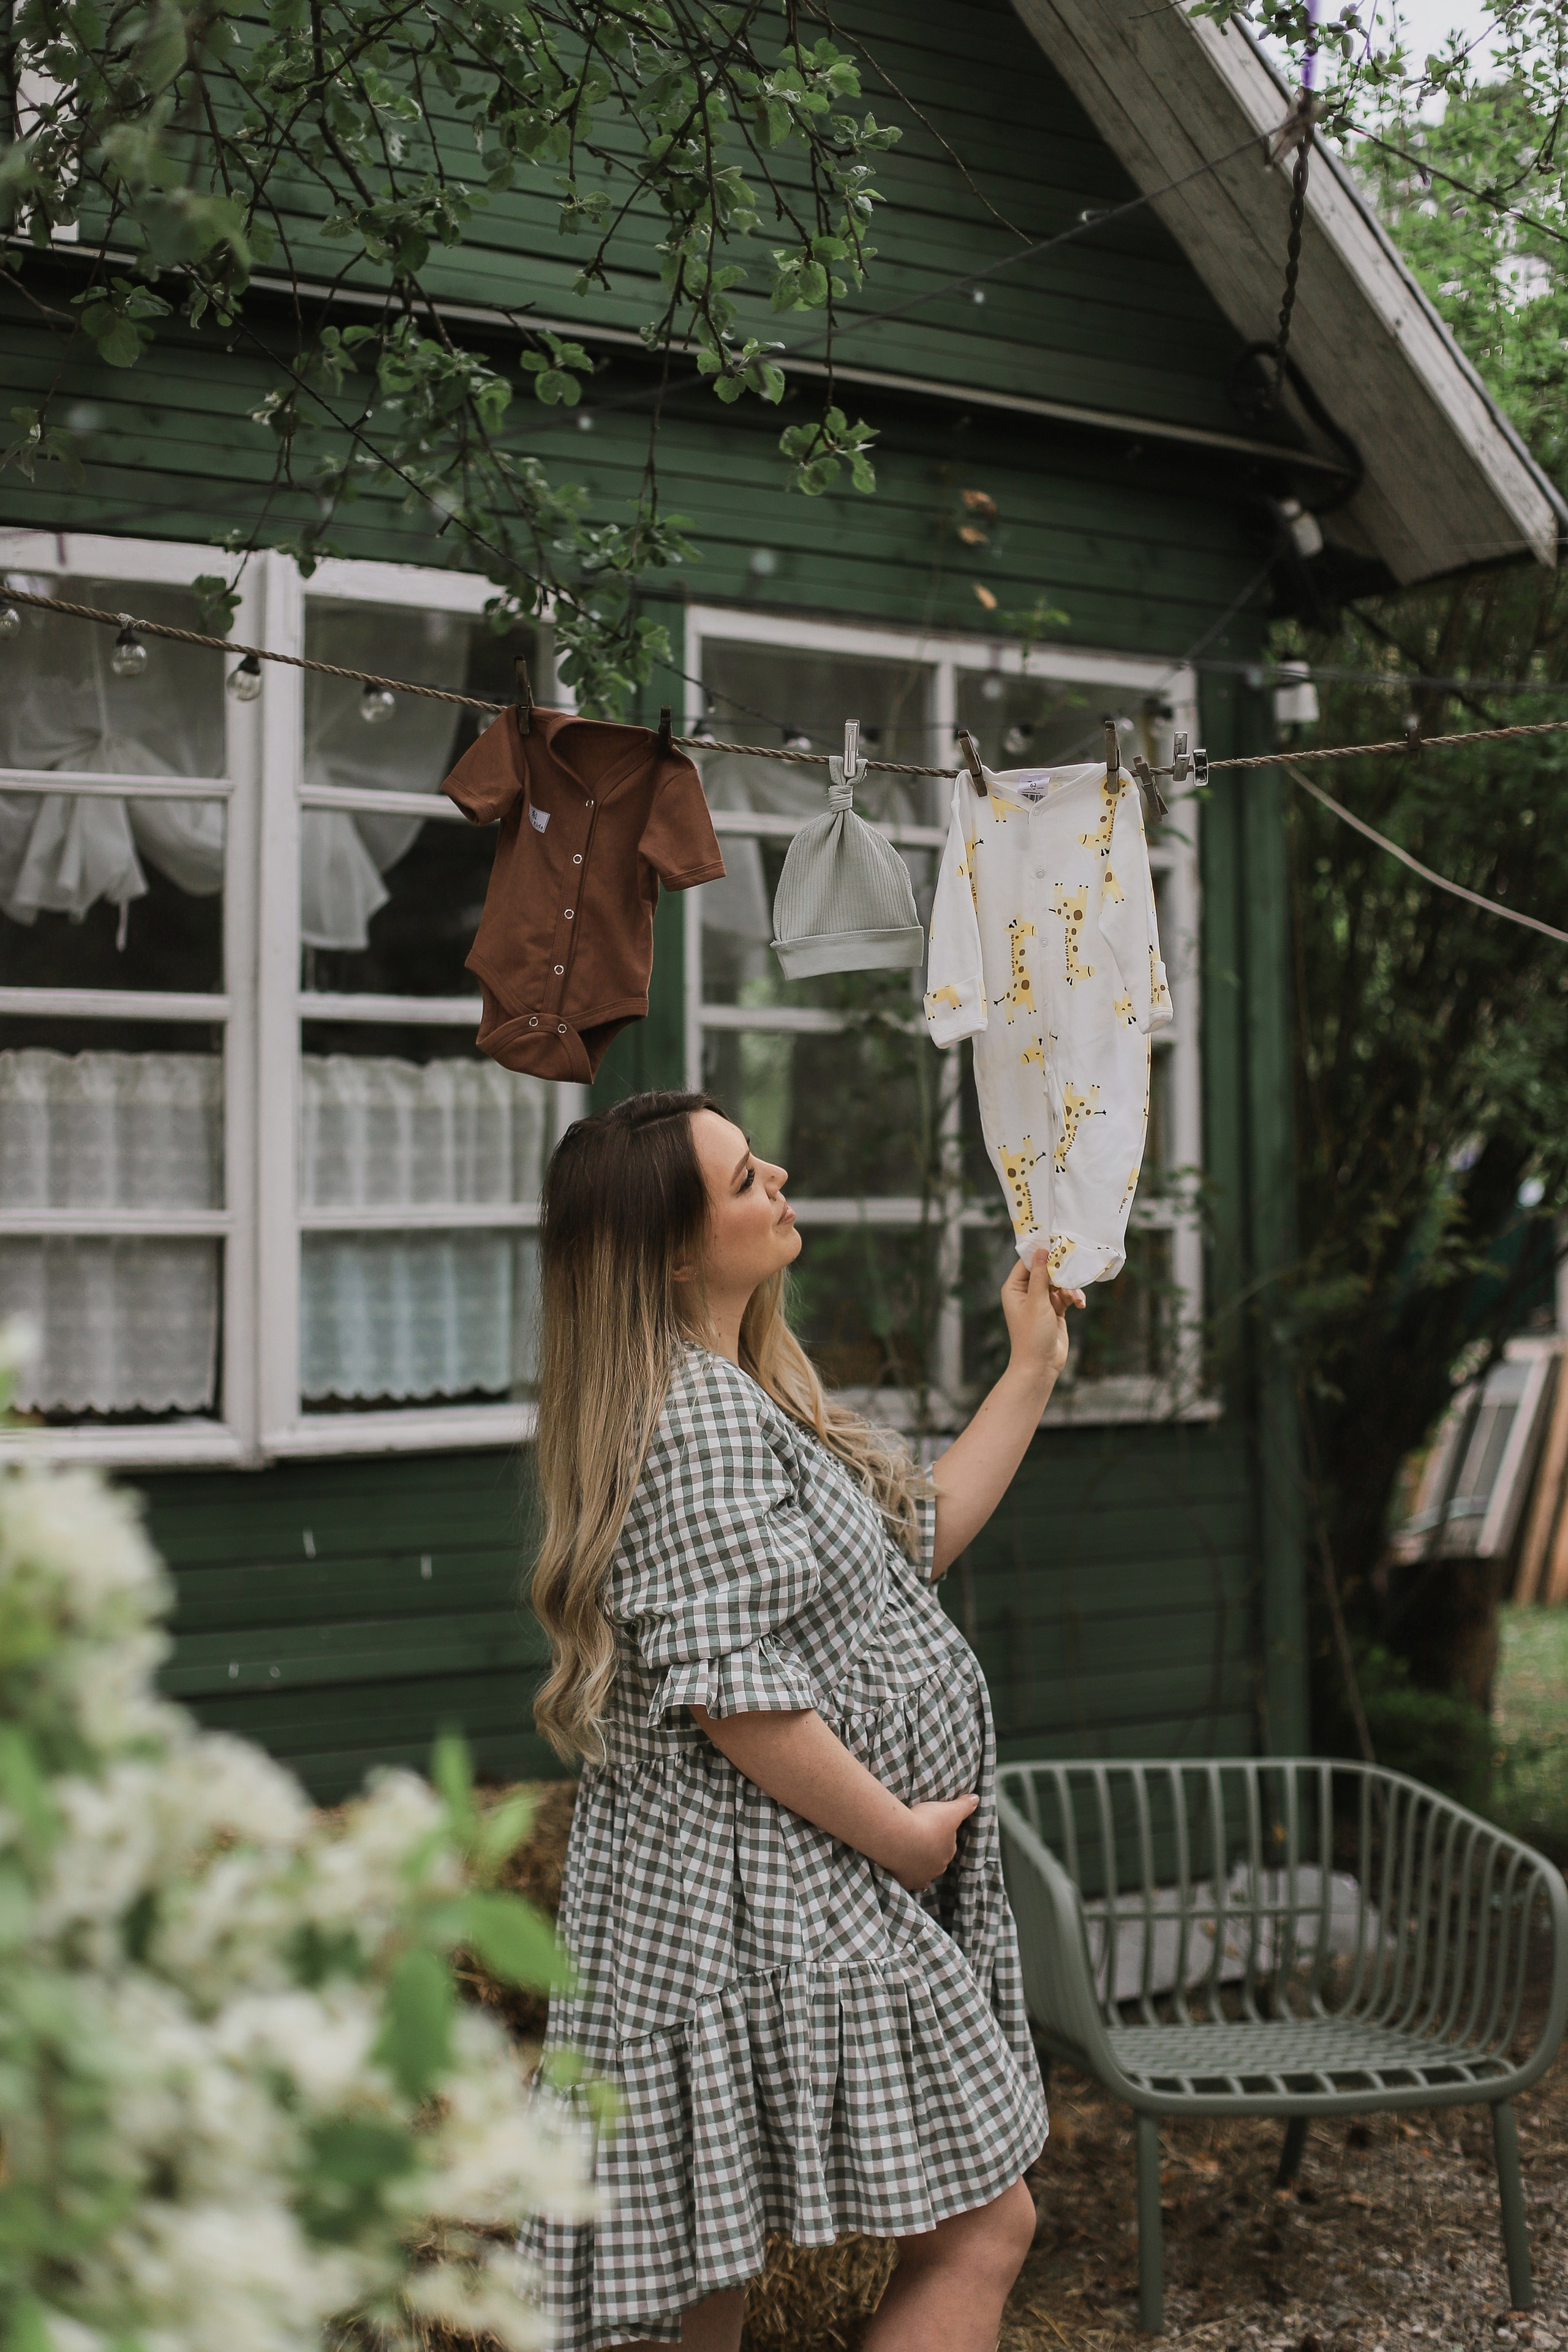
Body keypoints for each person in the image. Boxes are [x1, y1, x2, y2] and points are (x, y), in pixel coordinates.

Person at [524, 1089, 1084, 2352]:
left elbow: (908, 1547)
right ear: (669, 1247)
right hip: (757, 1881)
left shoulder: (733, 1389)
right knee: (969, 2229)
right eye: (739, 1178)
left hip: (756, 1874)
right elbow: (730, 1688)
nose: (776, 1172)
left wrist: (1031, 1368)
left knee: (697, 2284)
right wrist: (901, 1839)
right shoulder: (698, 1415)